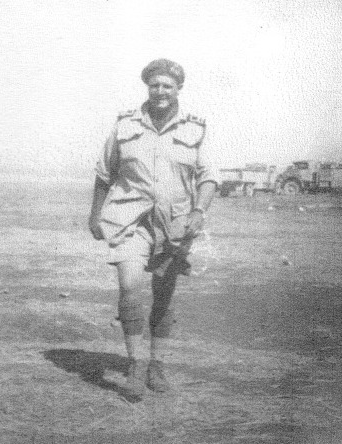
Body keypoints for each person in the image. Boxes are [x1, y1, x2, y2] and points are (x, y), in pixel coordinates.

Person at [88, 58, 218, 398]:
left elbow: (208, 178)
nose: (160, 91)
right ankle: (135, 365)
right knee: (129, 288)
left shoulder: (196, 129)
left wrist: (199, 210)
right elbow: (104, 174)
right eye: (154, 85)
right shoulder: (124, 125)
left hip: (174, 225)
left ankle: (156, 364)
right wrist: (95, 215)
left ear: (178, 90)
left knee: (163, 294)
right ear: (148, 87)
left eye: (167, 86)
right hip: (130, 220)